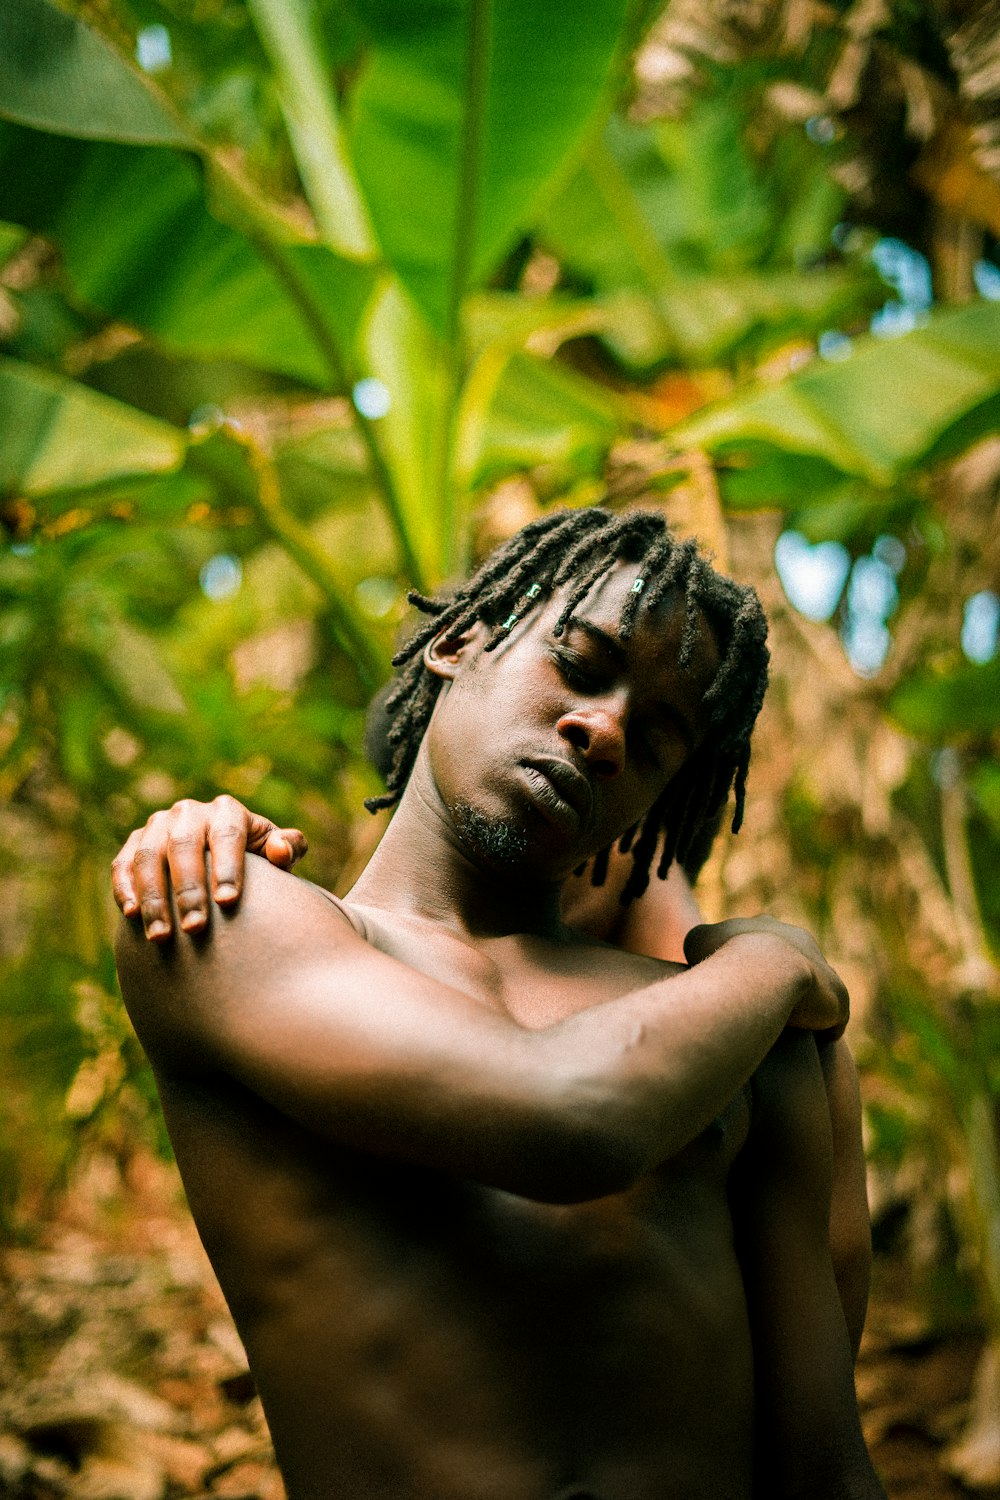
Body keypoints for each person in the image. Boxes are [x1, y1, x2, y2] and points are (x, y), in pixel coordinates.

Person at [113, 506, 884, 1500]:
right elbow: (572, 1121)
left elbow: (824, 1461)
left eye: (655, 740)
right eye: (577, 661)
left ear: (660, 802)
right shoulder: (226, 918)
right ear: (456, 640)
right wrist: (776, 962)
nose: (603, 730)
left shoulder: (732, 1040)